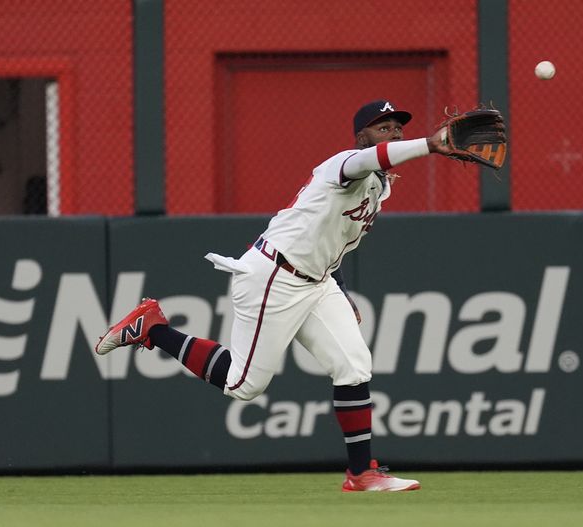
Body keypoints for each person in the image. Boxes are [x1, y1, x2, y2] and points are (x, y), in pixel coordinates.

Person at [96, 99, 458, 491]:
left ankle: (361, 473)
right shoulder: (343, 165)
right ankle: (152, 328)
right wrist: (430, 144)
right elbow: (376, 157)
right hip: (274, 274)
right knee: (244, 385)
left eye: (397, 127)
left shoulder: (378, 186)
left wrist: (340, 290)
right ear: (361, 138)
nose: (393, 132)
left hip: (317, 281)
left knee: (353, 365)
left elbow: (329, 241)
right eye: (382, 127)